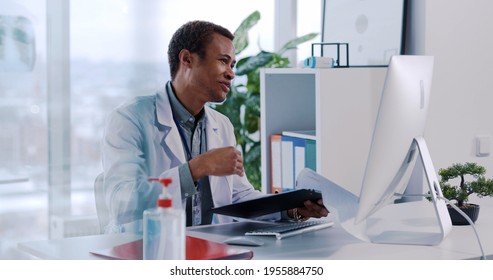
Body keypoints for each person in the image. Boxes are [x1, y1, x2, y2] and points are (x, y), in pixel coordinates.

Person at [101, 20, 328, 233]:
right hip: (147, 251)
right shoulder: (130, 119)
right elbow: (121, 202)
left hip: (208, 248)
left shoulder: (221, 125)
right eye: (223, 61)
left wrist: (291, 210)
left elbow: (239, 197)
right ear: (187, 59)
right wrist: (196, 169)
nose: (231, 73)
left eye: (233, 65)